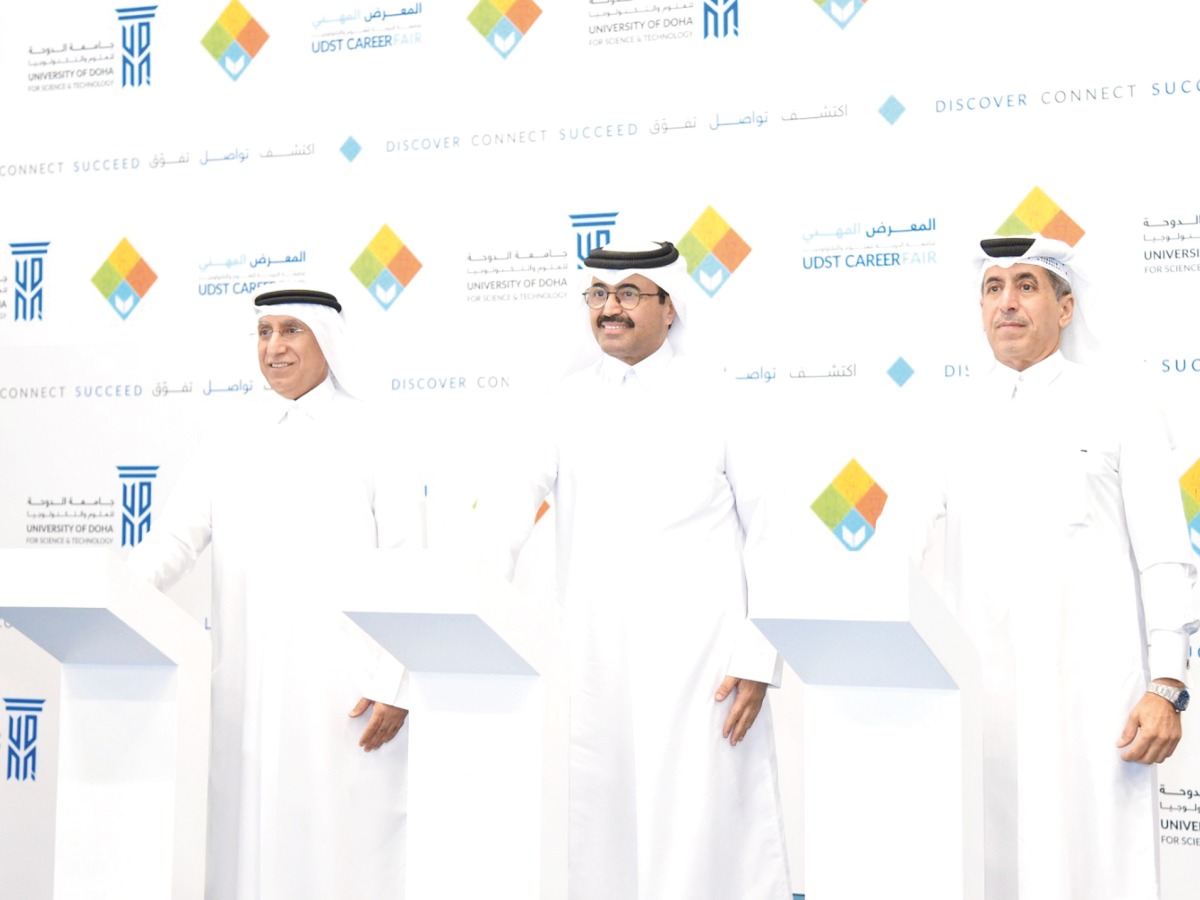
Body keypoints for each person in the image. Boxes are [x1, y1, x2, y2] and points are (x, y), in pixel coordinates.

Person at [481, 241, 792, 899]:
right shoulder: (560, 403)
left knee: (701, 833)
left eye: (627, 294)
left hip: (704, 665)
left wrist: (759, 657)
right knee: (600, 835)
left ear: (670, 307)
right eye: (598, 294)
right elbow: (504, 515)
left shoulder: (723, 398)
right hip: (597, 661)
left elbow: (774, 533)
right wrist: (469, 600)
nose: (609, 309)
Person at [921, 236, 1199, 898]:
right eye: (993, 288)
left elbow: (1165, 554)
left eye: (1026, 285)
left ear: (1065, 307)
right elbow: (901, 541)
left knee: (1094, 870)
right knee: (984, 868)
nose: (1006, 302)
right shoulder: (947, 415)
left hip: (1093, 703)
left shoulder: (1121, 403)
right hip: (978, 704)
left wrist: (1167, 685)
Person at [130, 289, 418, 899]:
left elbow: (405, 563)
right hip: (247, 686)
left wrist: (395, 680)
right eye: (264, 332)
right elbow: (176, 538)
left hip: (346, 691)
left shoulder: (375, 433)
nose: (274, 346)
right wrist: (114, 594)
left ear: (327, 340)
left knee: (342, 846)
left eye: (292, 331)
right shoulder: (232, 433)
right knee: (245, 846)